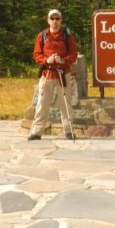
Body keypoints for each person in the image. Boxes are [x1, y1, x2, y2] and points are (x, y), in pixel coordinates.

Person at [28, 9, 78, 141]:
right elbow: (36, 54)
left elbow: (73, 54)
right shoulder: (42, 35)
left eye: (57, 19)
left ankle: (68, 131)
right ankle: (36, 132)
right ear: (48, 20)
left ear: (61, 20)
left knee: (65, 103)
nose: (55, 21)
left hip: (63, 74)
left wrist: (63, 60)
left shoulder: (67, 36)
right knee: (42, 102)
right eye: (52, 18)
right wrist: (46, 60)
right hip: (47, 73)